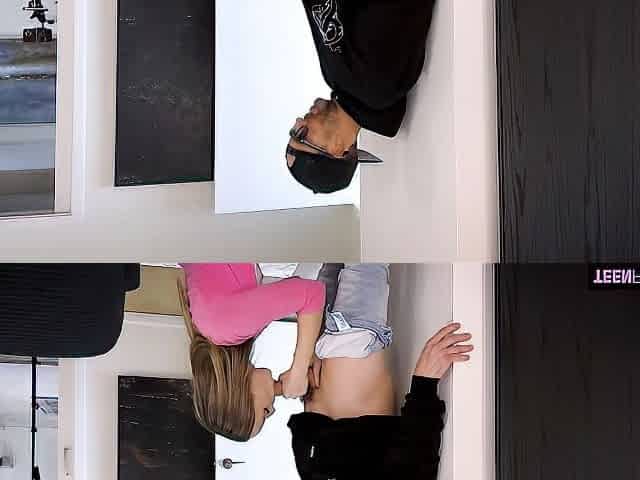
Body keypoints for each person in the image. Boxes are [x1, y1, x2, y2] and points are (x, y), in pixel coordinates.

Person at [287, 263, 473, 479]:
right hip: (355, 341)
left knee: (339, 249)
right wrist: (424, 384)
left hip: (324, 346)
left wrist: (307, 357)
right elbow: (414, 466)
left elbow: (309, 430)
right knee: (361, 246)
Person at [286, 0, 437, 193]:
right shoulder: (378, 84)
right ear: (336, 148)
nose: (298, 122)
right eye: (301, 135)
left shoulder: (334, 79)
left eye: (293, 131)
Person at [178, 263, 326, 442]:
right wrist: (308, 354)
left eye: (264, 413)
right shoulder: (215, 331)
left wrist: (299, 369)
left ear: (241, 398)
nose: (272, 409)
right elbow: (297, 285)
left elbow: (312, 293)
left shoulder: (227, 327)